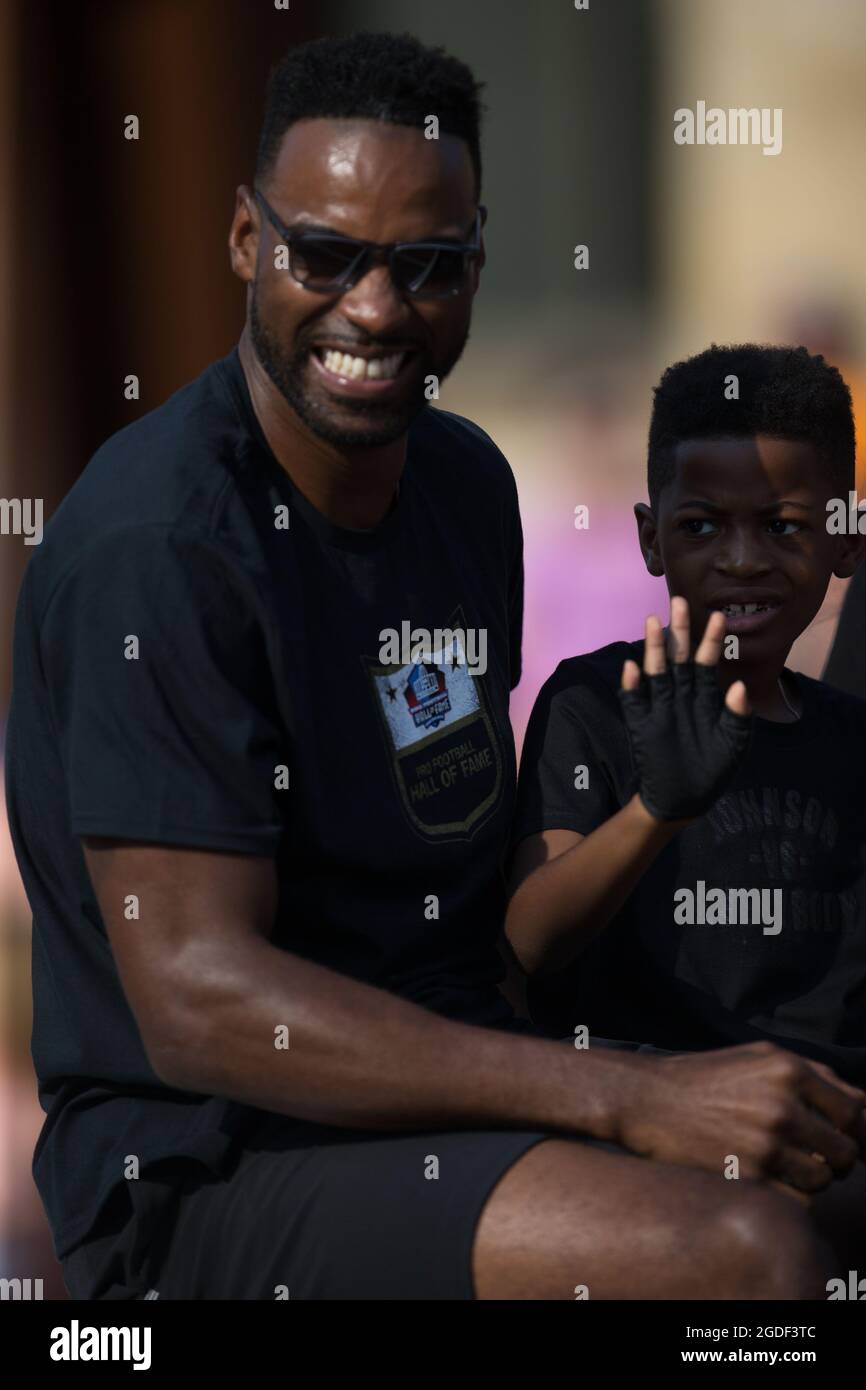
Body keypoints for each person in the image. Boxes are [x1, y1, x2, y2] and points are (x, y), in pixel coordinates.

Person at [5, 40, 855, 1301]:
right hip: (211, 1168)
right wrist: (629, 1095)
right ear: (244, 240)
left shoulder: (462, 484)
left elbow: (482, 915)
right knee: (744, 1258)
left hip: (463, 1088)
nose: (373, 307)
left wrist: (655, 823)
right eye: (323, 254)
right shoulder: (163, 545)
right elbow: (199, 1002)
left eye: (425, 265)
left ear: (475, 262)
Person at [507, 343, 866, 1263]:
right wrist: (654, 811)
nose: (743, 561)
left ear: (846, 539)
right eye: (702, 526)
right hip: (659, 1136)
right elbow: (527, 940)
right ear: (650, 537)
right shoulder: (596, 706)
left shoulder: (851, 738)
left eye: (783, 527)